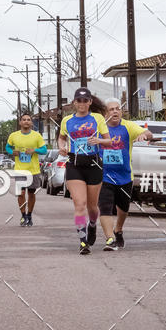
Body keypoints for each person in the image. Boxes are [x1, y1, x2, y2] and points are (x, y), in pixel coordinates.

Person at [58, 87, 110, 255]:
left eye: (85, 101)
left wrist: (99, 140)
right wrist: (61, 147)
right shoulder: (67, 120)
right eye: (78, 101)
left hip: (94, 164)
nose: (81, 104)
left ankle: (93, 224)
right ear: (74, 103)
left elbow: (109, 141)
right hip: (74, 164)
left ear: (90, 102)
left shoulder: (97, 118)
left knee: (92, 206)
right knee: (79, 204)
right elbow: (61, 137)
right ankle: (82, 241)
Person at [99, 98, 153, 250]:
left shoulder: (128, 126)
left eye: (117, 109)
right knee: (105, 207)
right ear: (105, 113)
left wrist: (144, 135)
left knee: (123, 209)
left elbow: (148, 133)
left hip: (124, 176)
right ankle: (110, 239)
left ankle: (118, 230)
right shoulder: (99, 128)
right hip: (104, 176)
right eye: (111, 109)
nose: (115, 111)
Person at [6, 112, 47, 226]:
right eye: (24, 119)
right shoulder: (14, 136)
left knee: (31, 194)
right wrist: (12, 152)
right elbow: (8, 147)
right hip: (20, 170)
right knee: (21, 193)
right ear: (20, 122)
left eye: (28, 119)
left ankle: (29, 214)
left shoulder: (36, 136)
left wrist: (34, 150)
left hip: (33, 170)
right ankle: (23, 215)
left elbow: (44, 150)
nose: (26, 121)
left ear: (31, 122)